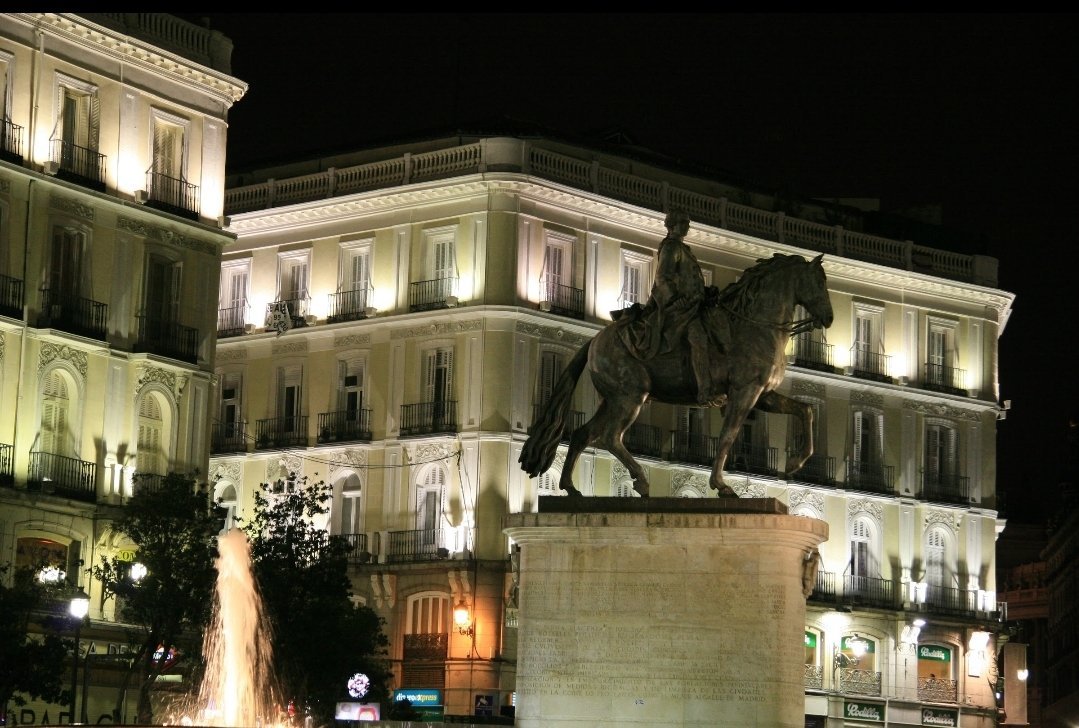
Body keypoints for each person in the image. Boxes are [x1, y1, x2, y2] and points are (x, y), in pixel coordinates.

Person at [617, 210, 721, 405]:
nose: (687, 226)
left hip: (692, 305)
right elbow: (662, 277)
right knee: (698, 337)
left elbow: (689, 280)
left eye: (688, 223)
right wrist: (675, 299)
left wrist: (706, 292)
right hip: (678, 307)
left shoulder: (684, 249)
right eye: (683, 222)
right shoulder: (672, 247)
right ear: (672, 225)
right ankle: (705, 391)